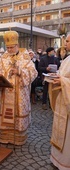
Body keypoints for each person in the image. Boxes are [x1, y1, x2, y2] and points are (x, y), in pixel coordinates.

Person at [0, 30, 38, 145]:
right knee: (5, 114)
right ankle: (5, 137)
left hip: (20, 93)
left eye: (11, 47)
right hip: (6, 93)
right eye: (7, 48)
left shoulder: (25, 56)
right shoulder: (3, 58)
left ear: (17, 45)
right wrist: (4, 74)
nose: (9, 50)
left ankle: (18, 138)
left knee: (19, 113)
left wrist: (19, 71)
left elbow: (33, 72)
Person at [49, 34, 70, 170]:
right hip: (64, 99)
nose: (65, 43)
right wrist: (57, 77)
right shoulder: (67, 58)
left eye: (68, 41)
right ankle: (57, 159)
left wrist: (62, 80)